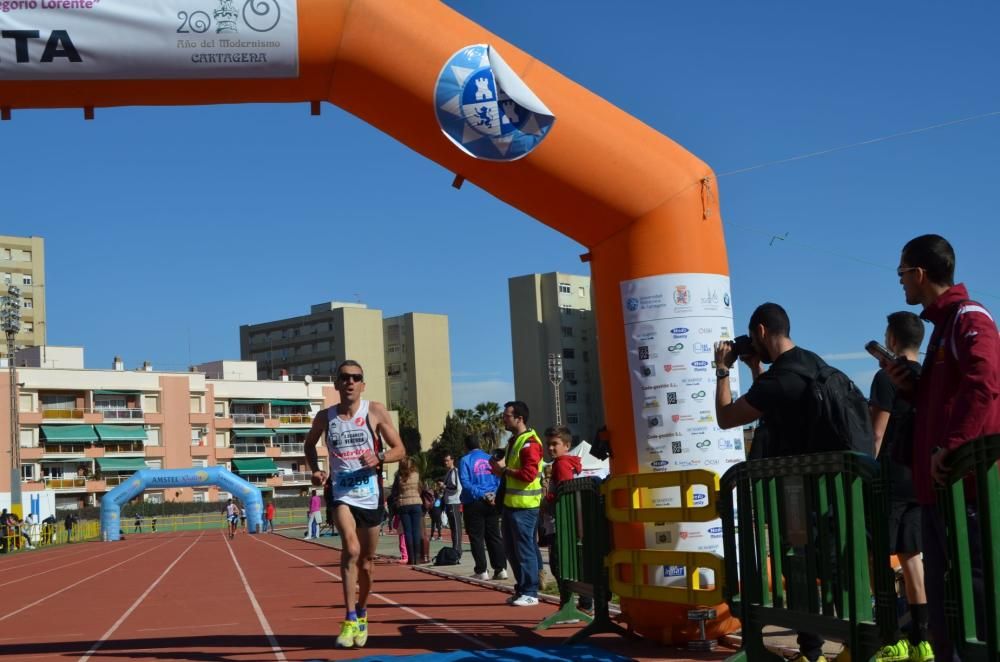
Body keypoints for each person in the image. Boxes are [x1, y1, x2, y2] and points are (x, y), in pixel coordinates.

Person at [714, 302, 853, 662]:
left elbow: (727, 417)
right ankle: (853, 644)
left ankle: (812, 651)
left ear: (760, 331)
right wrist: (756, 366)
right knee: (835, 565)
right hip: (831, 485)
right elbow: (775, 400)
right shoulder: (811, 364)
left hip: (795, 488)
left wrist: (721, 371)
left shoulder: (783, 378)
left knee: (799, 565)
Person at [884, 234, 999, 662]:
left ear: (919, 273)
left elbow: (984, 380)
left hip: (964, 492)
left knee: (975, 603)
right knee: (948, 601)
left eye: (901, 275)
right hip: (942, 491)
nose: (900, 284)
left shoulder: (968, 318)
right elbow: (948, 397)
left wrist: (951, 447)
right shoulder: (944, 325)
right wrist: (912, 387)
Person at [304, 359, 404, 649]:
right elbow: (310, 444)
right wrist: (315, 469)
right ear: (336, 383)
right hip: (340, 492)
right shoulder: (325, 417)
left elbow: (400, 449)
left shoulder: (374, 411)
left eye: (355, 377)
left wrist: (380, 457)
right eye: (344, 377)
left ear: (363, 384)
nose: (350, 382)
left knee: (367, 564)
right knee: (351, 548)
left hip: (370, 494)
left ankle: (362, 612)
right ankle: (348, 618)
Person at [869, 311, 933, 662]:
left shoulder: (886, 376)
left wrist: (863, 470)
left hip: (891, 477)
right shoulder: (926, 376)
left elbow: (876, 433)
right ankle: (922, 640)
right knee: (913, 556)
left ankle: (891, 639)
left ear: (891, 339)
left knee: (879, 554)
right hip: (920, 476)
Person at [491, 400, 544, 607]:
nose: (504, 418)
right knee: (512, 549)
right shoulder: (515, 440)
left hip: (525, 505)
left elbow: (529, 474)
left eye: (507, 415)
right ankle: (522, 589)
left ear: (519, 418)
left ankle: (530, 591)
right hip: (512, 504)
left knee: (524, 549)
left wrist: (504, 470)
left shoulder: (529, 442)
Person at [541, 426, 593, 613]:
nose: (551, 448)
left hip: (562, 524)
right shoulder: (565, 463)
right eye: (548, 444)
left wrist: (547, 502)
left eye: (555, 444)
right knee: (568, 564)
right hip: (566, 523)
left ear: (567, 445)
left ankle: (569, 605)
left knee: (559, 565)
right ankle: (582, 603)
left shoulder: (562, 464)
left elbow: (565, 493)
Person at [459, 434, 507, 581]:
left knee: (477, 537)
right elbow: (499, 477)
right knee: (494, 536)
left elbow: (465, 483)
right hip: (492, 500)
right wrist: (493, 494)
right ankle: (501, 569)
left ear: (466, 446)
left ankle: (481, 570)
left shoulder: (465, 460)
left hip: (474, 502)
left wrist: (481, 494)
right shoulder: (490, 458)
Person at [442, 453, 463, 558]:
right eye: (445, 460)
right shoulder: (449, 472)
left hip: (454, 502)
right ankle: (455, 549)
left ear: (452, 460)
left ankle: (458, 550)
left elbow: (455, 488)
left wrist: (444, 486)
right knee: (453, 528)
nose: (446, 462)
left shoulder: (454, 472)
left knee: (456, 528)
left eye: (447, 460)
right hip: (449, 503)